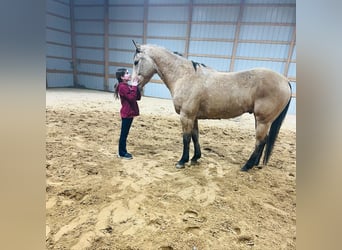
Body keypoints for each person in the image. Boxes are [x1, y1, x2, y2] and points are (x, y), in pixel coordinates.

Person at [114, 68, 141, 159]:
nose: (129, 74)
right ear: (122, 77)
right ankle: (122, 153)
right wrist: (134, 86)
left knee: (125, 133)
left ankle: (122, 151)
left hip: (129, 113)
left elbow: (137, 97)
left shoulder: (126, 85)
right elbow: (131, 98)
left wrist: (137, 87)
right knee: (124, 134)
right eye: (127, 73)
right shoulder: (122, 87)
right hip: (127, 113)